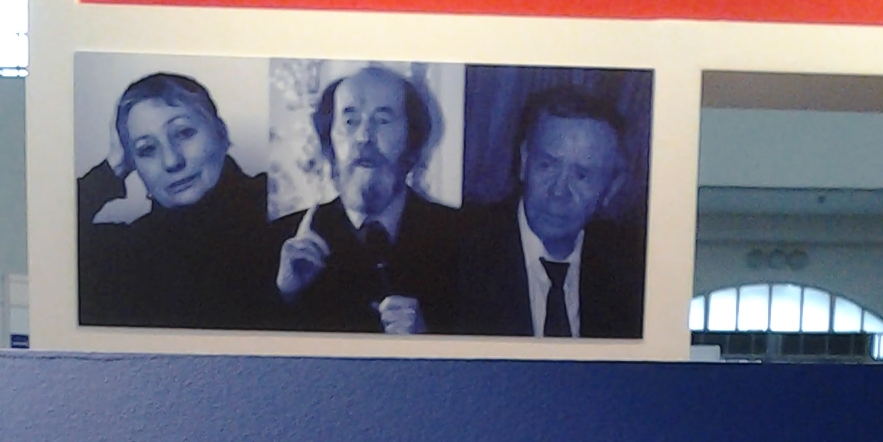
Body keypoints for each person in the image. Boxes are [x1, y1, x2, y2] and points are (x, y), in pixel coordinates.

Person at [77, 72, 275, 329]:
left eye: (183, 133)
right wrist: (111, 169)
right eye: (147, 149)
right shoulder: (124, 254)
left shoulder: (284, 205)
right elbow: (47, 245)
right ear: (133, 164)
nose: (172, 161)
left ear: (221, 133)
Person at [272, 65, 460, 335]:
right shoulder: (284, 242)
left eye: (382, 120)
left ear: (412, 140)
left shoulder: (462, 240)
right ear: (329, 143)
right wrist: (286, 295)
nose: (363, 137)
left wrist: (429, 342)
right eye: (350, 122)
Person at [456, 87, 646, 339]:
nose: (558, 192)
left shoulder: (633, 273)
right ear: (524, 162)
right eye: (546, 166)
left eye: (582, 175)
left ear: (611, 188)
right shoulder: (458, 255)